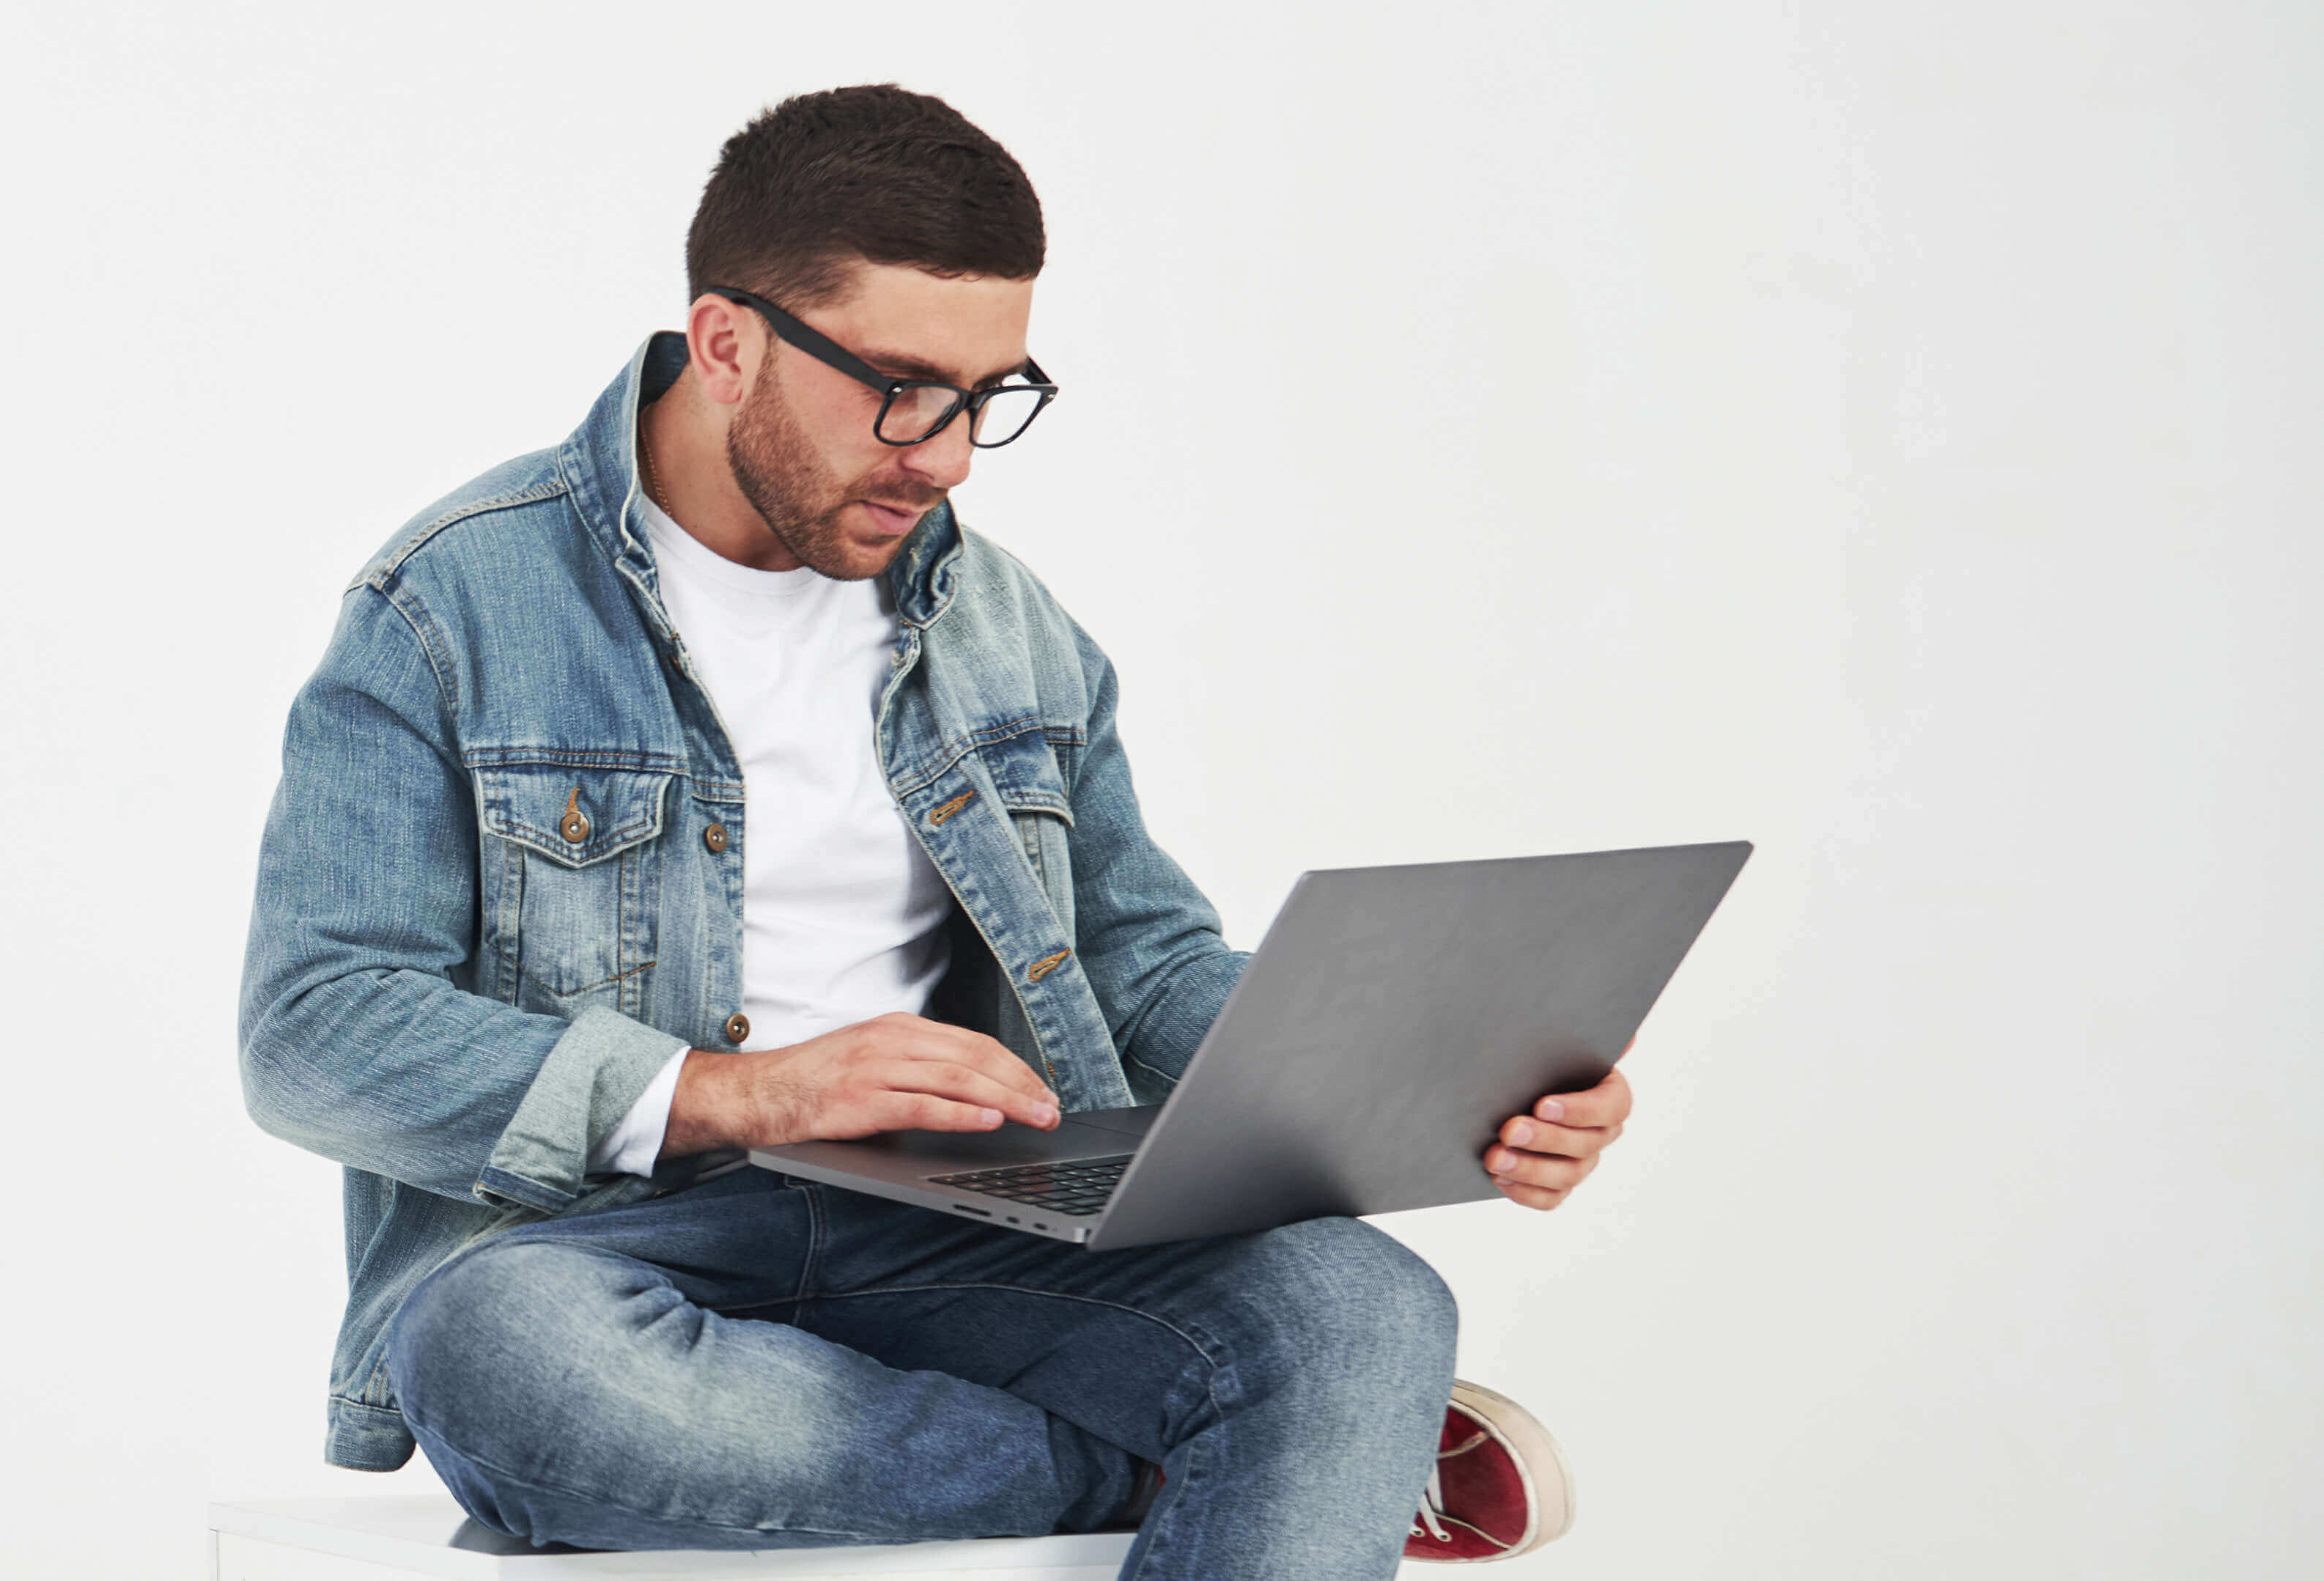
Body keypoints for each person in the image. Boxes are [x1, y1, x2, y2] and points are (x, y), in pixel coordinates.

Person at [238, 83, 1638, 1578]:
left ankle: (1309, 1422)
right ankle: (1234, 1452)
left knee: (1364, 1307)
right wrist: (742, 1092)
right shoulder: (450, 608)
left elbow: (1139, 962)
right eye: (901, 388)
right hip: (598, 1253)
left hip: (951, 1222)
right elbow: (316, 1030)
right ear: (728, 344)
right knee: (512, 1364)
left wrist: (1439, 1076)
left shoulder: (1009, 627)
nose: (949, 455)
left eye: (988, 395)